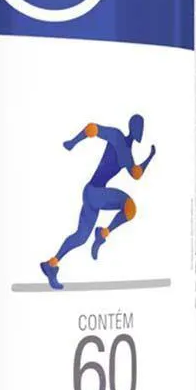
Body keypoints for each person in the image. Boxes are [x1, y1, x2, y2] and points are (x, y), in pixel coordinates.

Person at [40, 114, 156, 290]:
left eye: (142, 127)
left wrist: (150, 157)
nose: (141, 130)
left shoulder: (127, 155)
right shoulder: (117, 137)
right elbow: (92, 128)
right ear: (132, 127)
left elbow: (136, 174)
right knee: (129, 207)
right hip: (95, 193)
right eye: (139, 126)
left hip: (91, 193)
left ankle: (51, 264)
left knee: (80, 237)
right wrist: (72, 142)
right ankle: (102, 233)